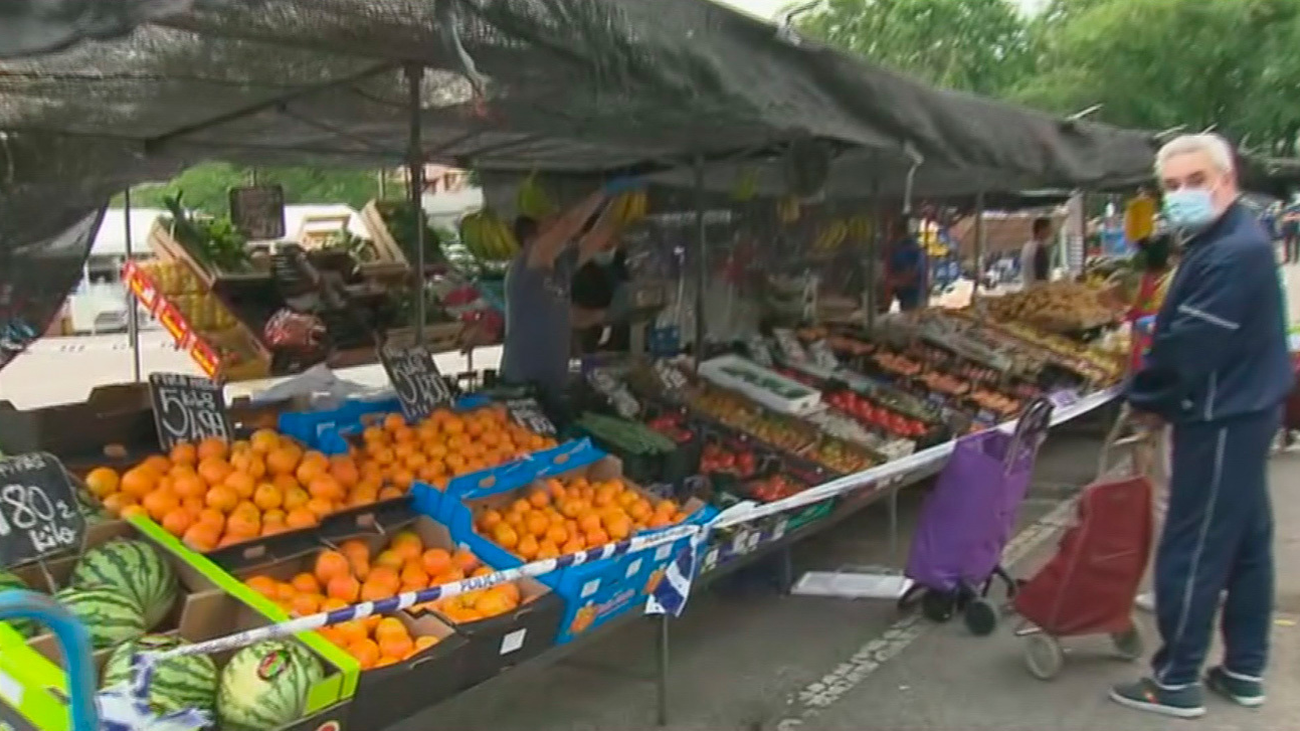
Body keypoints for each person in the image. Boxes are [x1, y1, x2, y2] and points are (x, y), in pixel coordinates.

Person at [1109, 134, 1293, 719]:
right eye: (1172, 185)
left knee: (1194, 543)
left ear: (1226, 181)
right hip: (1245, 409)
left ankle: (1177, 677)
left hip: (1220, 414)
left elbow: (1191, 346)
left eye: (1195, 181)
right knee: (1245, 544)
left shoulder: (1231, 251)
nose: (1182, 194)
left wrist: (1145, 396)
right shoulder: (1226, 241)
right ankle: (1242, 668)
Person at [499, 180, 631, 415]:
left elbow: (599, 235)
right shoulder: (527, 266)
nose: (559, 221)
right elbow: (568, 226)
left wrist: (621, 199)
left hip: (553, 381)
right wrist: (603, 190)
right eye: (552, 220)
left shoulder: (562, 266)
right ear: (537, 234)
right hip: (522, 384)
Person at [883, 218, 928, 311]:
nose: (890, 234)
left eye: (892, 231)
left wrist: (895, 282)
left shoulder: (912, 249)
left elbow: (913, 273)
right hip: (901, 293)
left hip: (912, 293)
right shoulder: (896, 247)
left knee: (911, 315)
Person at [1020, 217, 1053, 287]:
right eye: (1049, 229)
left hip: (1027, 286)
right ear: (1042, 230)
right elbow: (1042, 274)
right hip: (1038, 289)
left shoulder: (1026, 246)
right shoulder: (1039, 248)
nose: (1050, 232)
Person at [1281, 193, 1300, 264]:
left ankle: (1295, 259)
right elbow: (1283, 219)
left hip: (1296, 228)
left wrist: (1290, 217)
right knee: (1286, 245)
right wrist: (1291, 217)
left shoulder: (1298, 208)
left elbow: (1298, 218)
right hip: (1287, 228)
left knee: (1296, 245)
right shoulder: (1286, 208)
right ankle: (1287, 259)